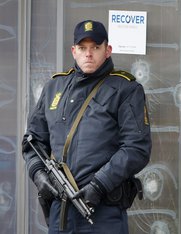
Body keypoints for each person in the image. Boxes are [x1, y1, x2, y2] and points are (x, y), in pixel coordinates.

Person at [22, 20, 152, 234]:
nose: (88, 54)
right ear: (74, 51)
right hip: (60, 211)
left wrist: (99, 185)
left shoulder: (126, 89)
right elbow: (32, 141)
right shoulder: (54, 87)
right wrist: (38, 174)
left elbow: (137, 148)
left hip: (103, 211)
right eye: (82, 48)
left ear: (107, 50)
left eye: (95, 47)